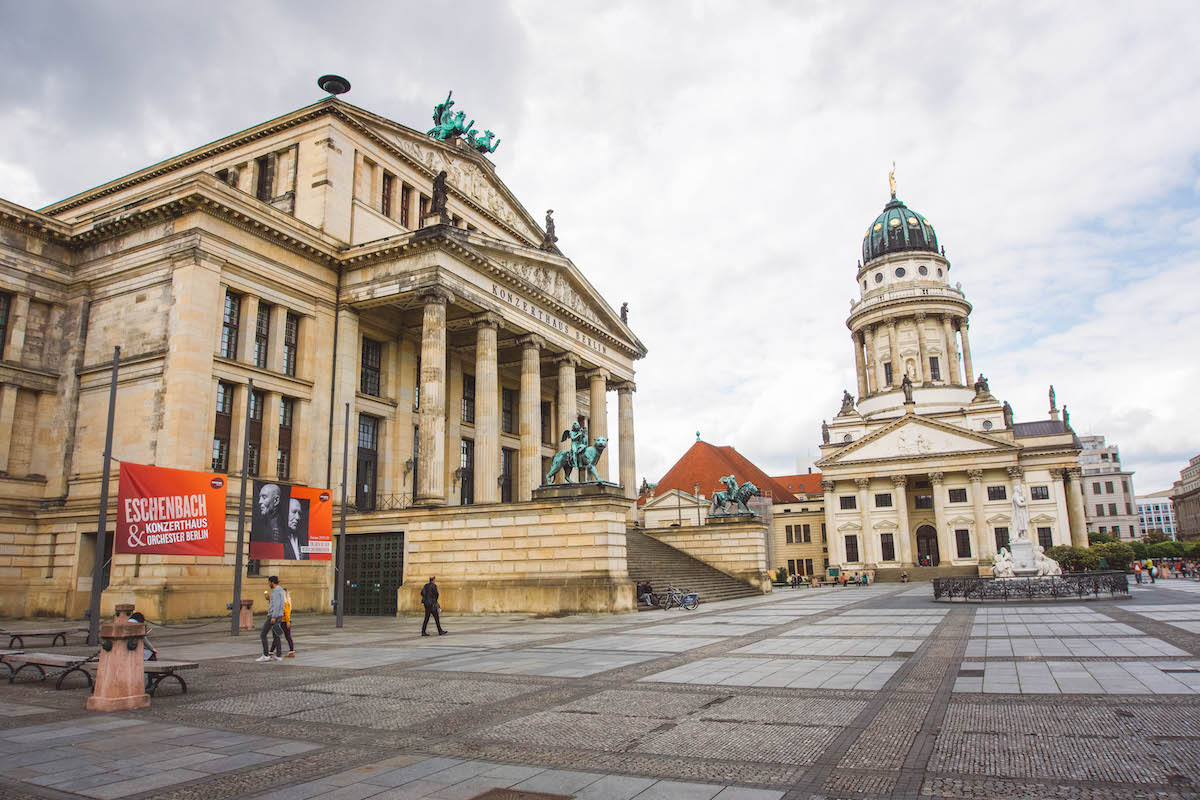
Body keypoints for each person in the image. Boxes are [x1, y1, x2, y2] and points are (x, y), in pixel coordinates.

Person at [257, 575, 285, 662]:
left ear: (272, 582)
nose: (268, 584)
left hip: (274, 616)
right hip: (279, 615)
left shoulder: (276, 591)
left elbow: (276, 605)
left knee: (263, 633)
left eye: (269, 582)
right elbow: (280, 603)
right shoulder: (281, 590)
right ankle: (279, 655)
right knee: (276, 635)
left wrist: (273, 616)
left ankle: (266, 655)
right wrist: (270, 599)